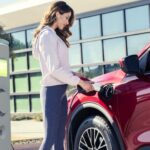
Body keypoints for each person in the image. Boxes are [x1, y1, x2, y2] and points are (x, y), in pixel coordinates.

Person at [32, 1, 94, 150]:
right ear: (57, 14)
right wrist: (79, 82)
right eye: (66, 17)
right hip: (52, 92)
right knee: (49, 139)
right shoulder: (46, 35)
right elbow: (53, 69)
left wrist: (73, 73)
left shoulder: (54, 35)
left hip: (60, 91)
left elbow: (58, 67)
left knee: (60, 138)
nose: (67, 22)